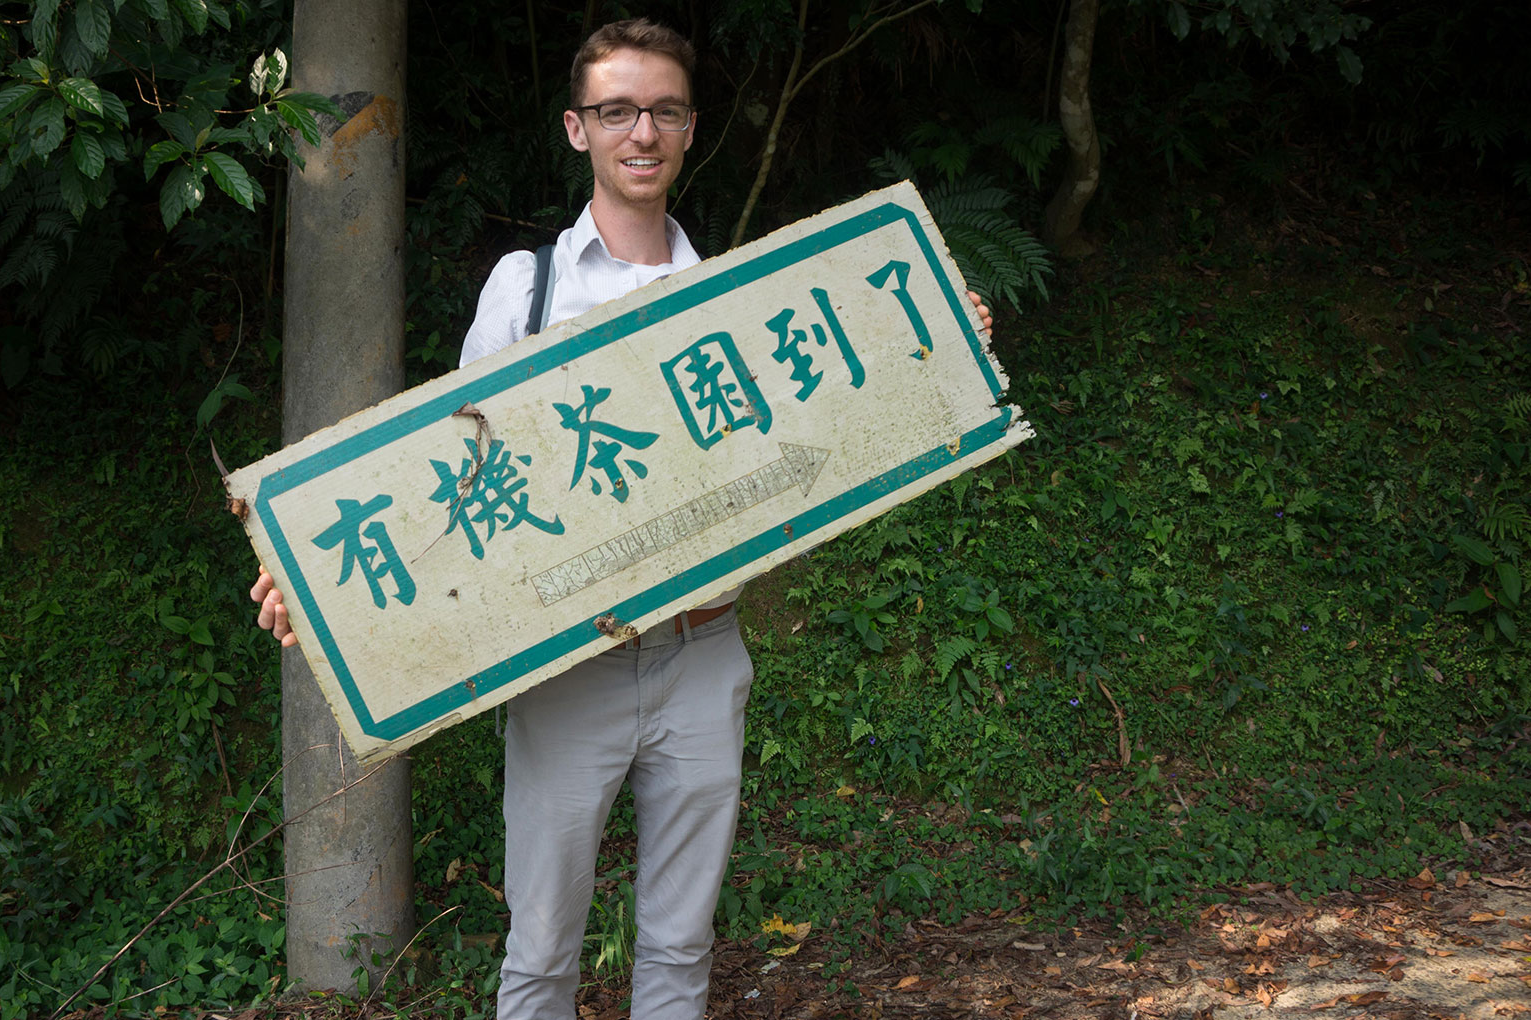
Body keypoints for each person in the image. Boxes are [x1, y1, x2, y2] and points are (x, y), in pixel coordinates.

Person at [253, 18, 991, 1018]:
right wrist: (323, 584)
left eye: (663, 111)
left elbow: (824, 427)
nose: (640, 132)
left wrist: (943, 335)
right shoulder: (528, 291)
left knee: (682, 951)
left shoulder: (733, 298)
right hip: (569, 674)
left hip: (703, 657)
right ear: (576, 128)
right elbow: (448, 484)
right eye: (615, 111)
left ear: (689, 130)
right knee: (542, 952)